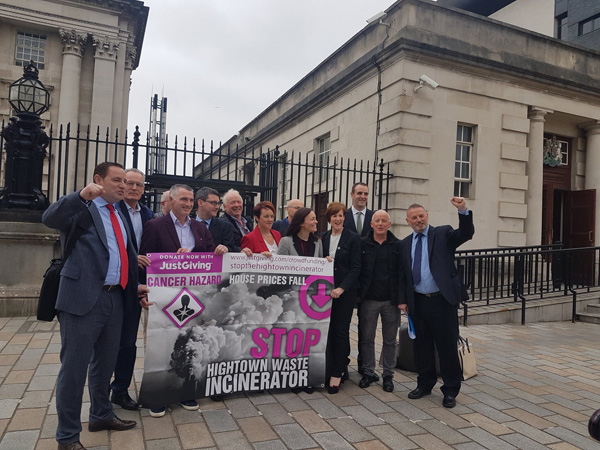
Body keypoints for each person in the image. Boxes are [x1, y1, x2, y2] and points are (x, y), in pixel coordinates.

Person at [42, 162, 148, 450]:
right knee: (74, 370)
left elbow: (122, 255)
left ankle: (100, 414)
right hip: (82, 298)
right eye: (117, 180)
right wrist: (80, 195)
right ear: (98, 180)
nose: (124, 186)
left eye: (127, 181)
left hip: (115, 297)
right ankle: (67, 437)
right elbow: (49, 218)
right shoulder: (81, 207)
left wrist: (133, 286)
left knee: (105, 365)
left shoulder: (121, 211)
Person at [140, 184, 224, 417]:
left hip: (193, 296)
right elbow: (145, 261)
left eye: (190, 200)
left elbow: (209, 261)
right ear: (171, 200)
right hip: (162, 297)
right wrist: (143, 291)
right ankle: (157, 395)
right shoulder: (154, 226)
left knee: (190, 341)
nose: (187, 204)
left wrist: (218, 251)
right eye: (183, 199)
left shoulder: (200, 228)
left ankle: (186, 392)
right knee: (159, 341)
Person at [399, 197, 474, 409]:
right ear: (408, 221)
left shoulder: (442, 234)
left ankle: (450, 390)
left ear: (427, 216)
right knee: (421, 348)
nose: (419, 220)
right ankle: (424, 384)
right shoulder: (405, 244)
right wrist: (402, 301)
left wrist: (463, 211)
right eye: (414, 217)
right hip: (418, 303)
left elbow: (465, 234)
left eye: (421, 216)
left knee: (447, 347)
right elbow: (402, 275)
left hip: (442, 301)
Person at [111, 168, 154, 412]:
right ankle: (102, 388)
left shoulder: (148, 214)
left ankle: (120, 389)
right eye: (129, 183)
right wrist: (130, 258)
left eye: (139, 185)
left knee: (129, 341)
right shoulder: (113, 210)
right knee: (111, 341)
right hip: (117, 283)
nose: (134, 188)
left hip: (140, 284)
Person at [277, 207, 323, 394]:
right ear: (302, 222)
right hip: (292, 297)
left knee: (308, 337)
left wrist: (325, 262)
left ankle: (306, 377)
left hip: (310, 298)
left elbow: (319, 269)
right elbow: (279, 270)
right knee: (292, 336)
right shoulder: (286, 242)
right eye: (313, 219)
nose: (316, 222)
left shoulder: (318, 242)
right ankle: (290, 377)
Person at [357, 210, 400, 392]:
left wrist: (402, 299)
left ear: (389, 224)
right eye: (377, 221)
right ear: (372, 224)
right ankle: (368, 372)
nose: (380, 224)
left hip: (391, 300)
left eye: (384, 221)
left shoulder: (397, 245)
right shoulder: (362, 244)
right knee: (367, 338)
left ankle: (388, 375)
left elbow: (402, 274)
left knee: (390, 340)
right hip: (368, 299)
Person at [321, 202, 361, 394]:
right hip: (325, 293)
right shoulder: (323, 238)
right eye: (334, 216)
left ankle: (337, 373)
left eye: (341, 215)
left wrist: (342, 288)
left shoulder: (353, 238)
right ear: (329, 219)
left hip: (344, 294)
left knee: (340, 331)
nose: (338, 219)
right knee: (327, 331)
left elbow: (356, 267)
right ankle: (330, 367)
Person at [343, 182, 373, 374]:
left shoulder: (373, 217)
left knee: (366, 327)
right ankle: (342, 364)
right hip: (346, 280)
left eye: (366, 193)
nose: (362, 196)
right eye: (359, 193)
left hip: (368, 281)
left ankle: (364, 365)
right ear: (352, 194)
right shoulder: (341, 216)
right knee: (342, 325)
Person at [195, 186, 235, 253]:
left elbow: (231, 249)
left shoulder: (225, 227)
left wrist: (225, 248)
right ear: (200, 203)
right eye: (213, 203)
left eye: (218, 203)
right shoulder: (186, 224)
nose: (217, 207)